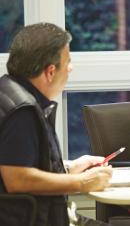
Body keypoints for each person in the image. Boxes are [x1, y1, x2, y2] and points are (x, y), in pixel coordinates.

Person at [0, 23, 112, 226]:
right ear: (50, 71)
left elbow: (26, 164)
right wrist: (82, 183)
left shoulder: (9, 93)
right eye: (67, 61)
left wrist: (67, 169)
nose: (71, 68)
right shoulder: (22, 111)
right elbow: (18, 179)